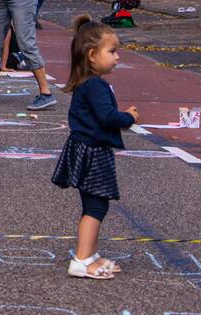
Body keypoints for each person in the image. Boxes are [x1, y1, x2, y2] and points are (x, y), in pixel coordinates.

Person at [52, 14, 139, 279]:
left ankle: (90, 255)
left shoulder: (89, 84)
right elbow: (107, 117)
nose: (117, 57)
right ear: (92, 55)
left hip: (85, 149)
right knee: (96, 207)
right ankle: (81, 260)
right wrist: (129, 117)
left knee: (94, 204)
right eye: (112, 51)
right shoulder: (96, 86)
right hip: (92, 152)